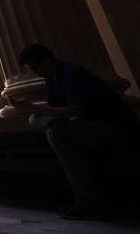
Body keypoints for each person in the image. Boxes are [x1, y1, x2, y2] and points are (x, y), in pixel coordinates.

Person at [16, 44, 139, 220]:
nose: (35, 72)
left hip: (113, 127)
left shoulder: (71, 73)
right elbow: (57, 107)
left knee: (56, 134)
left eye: (35, 67)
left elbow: (75, 111)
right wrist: (32, 109)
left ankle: (88, 201)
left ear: (46, 61)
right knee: (35, 119)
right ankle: (56, 132)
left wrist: (32, 107)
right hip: (85, 124)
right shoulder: (52, 77)